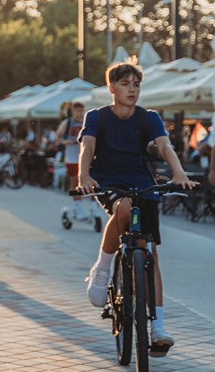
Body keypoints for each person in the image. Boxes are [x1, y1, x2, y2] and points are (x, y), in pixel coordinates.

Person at [79, 62, 196, 355]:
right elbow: (87, 147)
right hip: (109, 182)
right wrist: (84, 176)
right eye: (125, 84)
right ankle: (103, 268)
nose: (132, 90)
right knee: (123, 208)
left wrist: (178, 172)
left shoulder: (148, 118)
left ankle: (157, 328)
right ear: (112, 88)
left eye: (136, 85)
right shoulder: (97, 117)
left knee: (149, 252)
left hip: (143, 184)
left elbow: (165, 146)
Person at [57, 101, 101, 228]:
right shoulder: (67, 123)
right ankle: (79, 207)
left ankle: (94, 206)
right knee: (75, 183)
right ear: (73, 111)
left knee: (92, 182)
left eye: (81, 110)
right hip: (72, 158)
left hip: (86, 158)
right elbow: (58, 137)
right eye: (77, 110)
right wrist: (65, 142)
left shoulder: (87, 122)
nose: (79, 113)